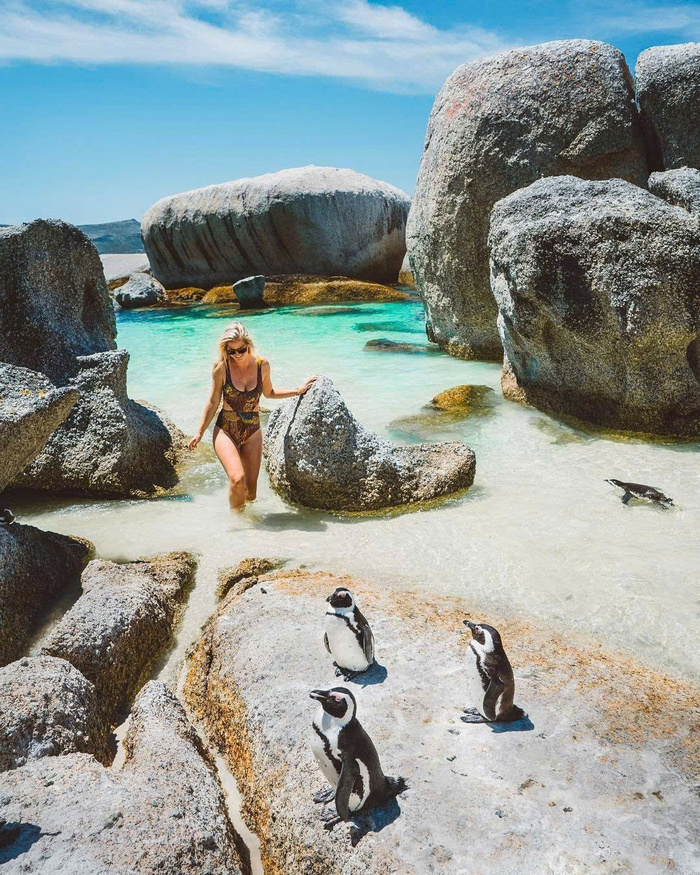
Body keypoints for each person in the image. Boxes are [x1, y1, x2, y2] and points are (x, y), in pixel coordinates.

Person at [188, 322, 316, 510]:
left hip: (252, 431)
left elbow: (269, 392)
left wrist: (298, 391)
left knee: (250, 493)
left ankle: (249, 525)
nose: (237, 354)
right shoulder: (221, 367)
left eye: (241, 349)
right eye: (232, 351)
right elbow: (213, 401)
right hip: (226, 429)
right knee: (237, 479)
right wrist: (200, 432)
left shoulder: (262, 365)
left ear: (248, 345)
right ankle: (236, 522)